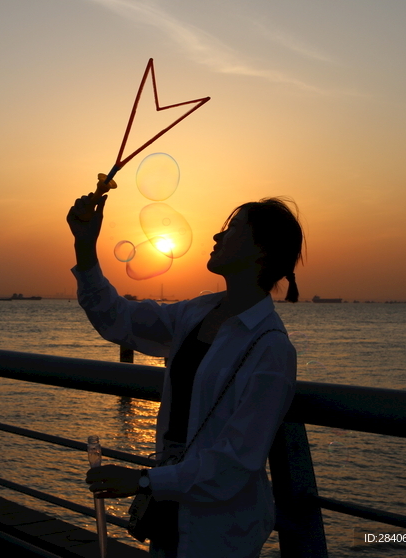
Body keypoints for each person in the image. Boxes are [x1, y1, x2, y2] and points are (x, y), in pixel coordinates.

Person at [68, 193, 302, 558]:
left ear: (261, 251)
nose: (216, 237)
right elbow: (117, 318)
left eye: (232, 229)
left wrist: (143, 480)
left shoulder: (271, 348)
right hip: (170, 511)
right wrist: (84, 244)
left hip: (220, 531)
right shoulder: (196, 313)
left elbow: (237, 462)